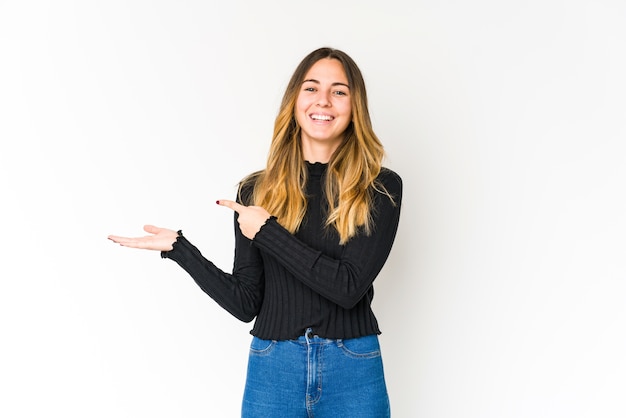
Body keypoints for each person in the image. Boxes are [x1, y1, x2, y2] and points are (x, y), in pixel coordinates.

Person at [108, 47, 402, 417]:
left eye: (339, 91)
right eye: (311, 88)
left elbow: (346, 287)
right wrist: (181, 250)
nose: (323, 101)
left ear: (354, 105)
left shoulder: (380, 188)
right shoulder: (255, 192)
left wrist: (267, 231)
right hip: (274, 367)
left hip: (353, 367)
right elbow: (246, 303)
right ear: (295, 100)